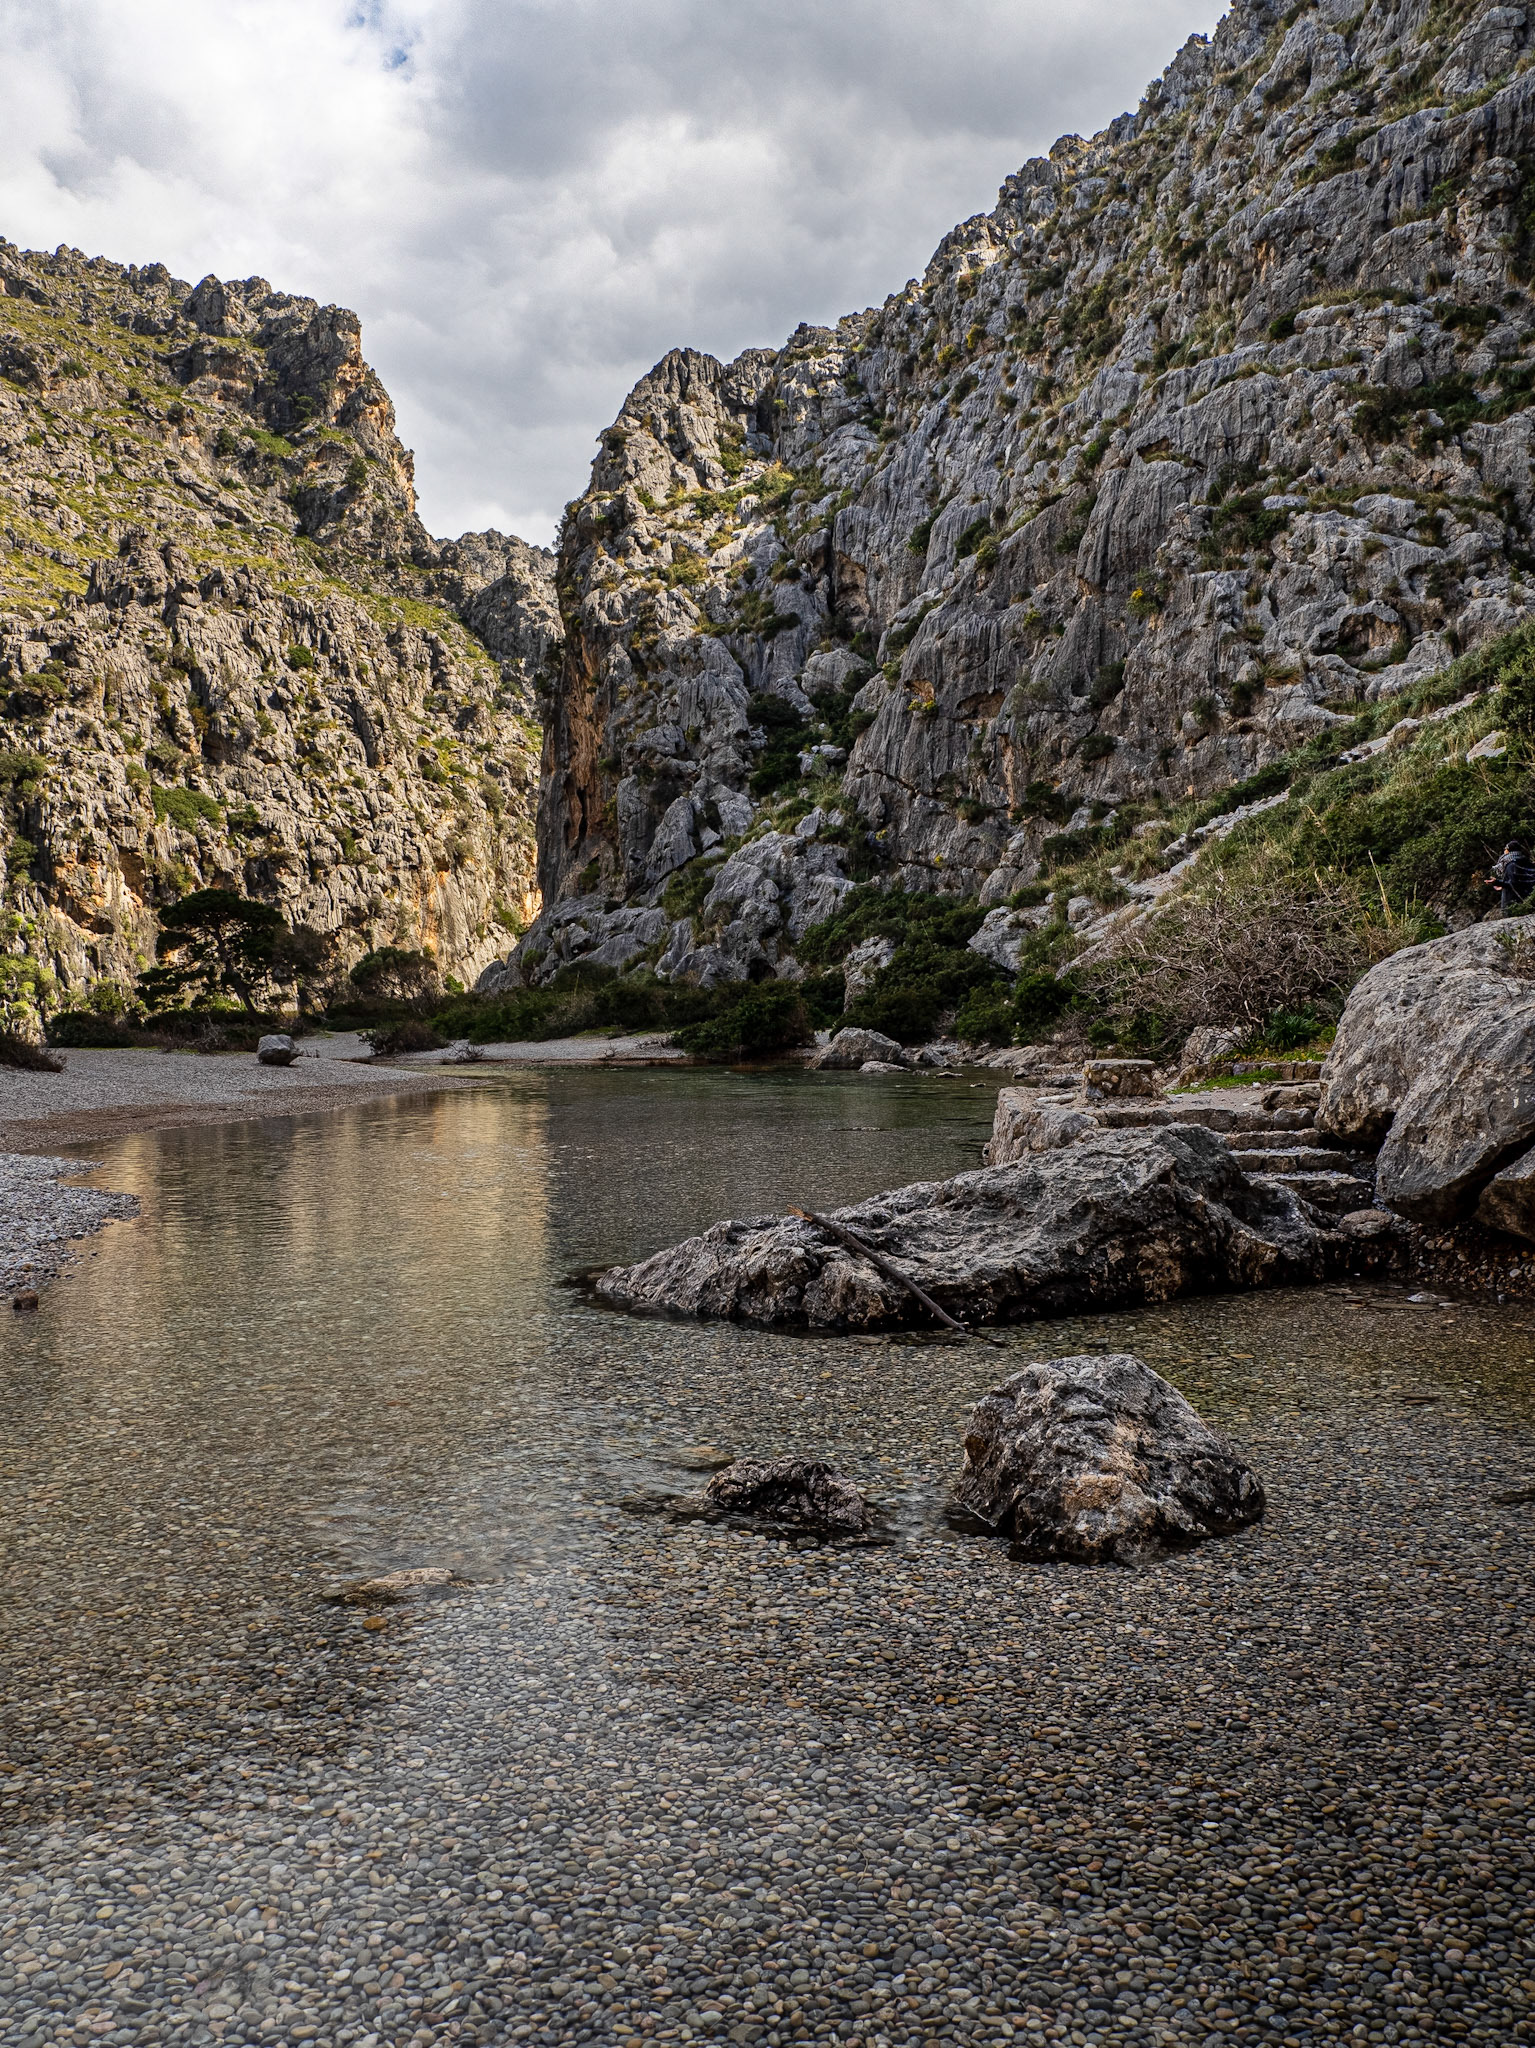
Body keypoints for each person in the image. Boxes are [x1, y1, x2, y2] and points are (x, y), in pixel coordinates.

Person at [1487, 839, 1535, 915]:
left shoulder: (1511, 864)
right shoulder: (1526, 861)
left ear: (1509, 850)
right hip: (1527, 900)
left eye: (1505, 849)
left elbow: (1513, 883)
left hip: (1511, 903)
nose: (1504, 850)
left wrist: (1497, 882)